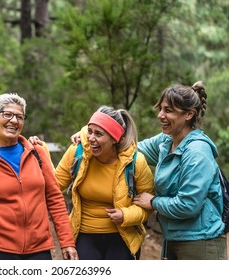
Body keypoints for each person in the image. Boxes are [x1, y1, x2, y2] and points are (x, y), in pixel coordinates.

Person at [0, 93, 78, 260]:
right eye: (7, 114)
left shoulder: (37, 154)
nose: (14, 121)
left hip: (39, 247)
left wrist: (67, 242)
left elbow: (55, 199)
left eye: (19, 117)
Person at [133, 81, 227, 260]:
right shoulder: (167, 141)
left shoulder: (197, 151)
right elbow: (133, 149)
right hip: (173, 238)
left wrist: (153, 202)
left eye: (168, 110)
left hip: (201, 242)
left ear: (189, 114)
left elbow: (188, 204)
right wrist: (87, 138)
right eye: (161, 109)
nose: (160, 115)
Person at [54, 106, 154, 260]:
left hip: (122, 236)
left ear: (115, 139)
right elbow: (53, 186)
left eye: (99, 134)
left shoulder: (135, 162)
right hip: (84, 235)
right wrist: (40, 152)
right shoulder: (77, 153)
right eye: (90, 131)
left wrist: (125, 215)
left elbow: (147, 205)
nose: (91, 138)